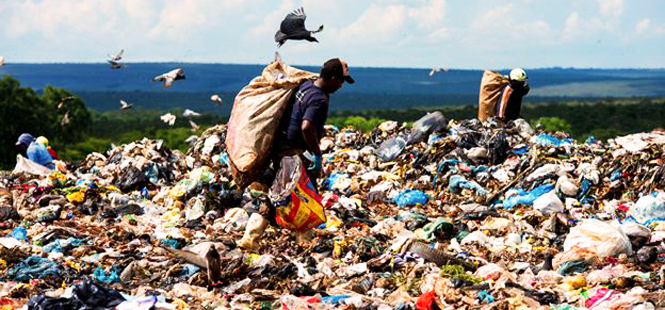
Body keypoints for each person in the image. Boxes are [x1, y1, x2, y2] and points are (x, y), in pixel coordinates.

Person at [237, 58, 355, 249]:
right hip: (292, 152)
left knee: (283, 193)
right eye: (340, 81)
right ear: (332, 78)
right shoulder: (319, 99)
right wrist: (316, 154)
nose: (341, 85)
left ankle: (253, 237)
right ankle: (301, 242)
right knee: (304, 194)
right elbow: (307, 127)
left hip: (281, 148)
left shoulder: (306, 85)